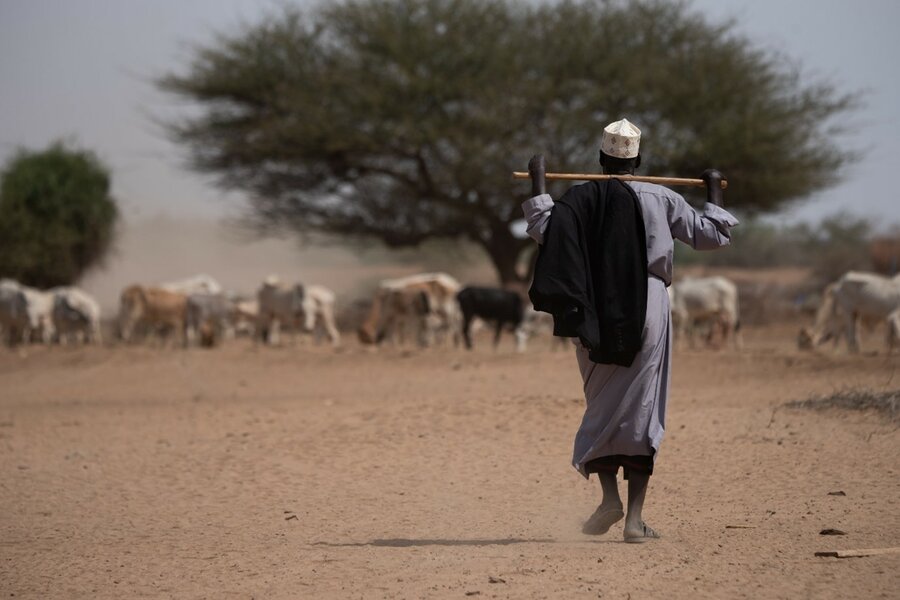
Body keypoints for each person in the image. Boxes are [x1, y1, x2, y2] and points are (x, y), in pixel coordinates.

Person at [521, 118, 738, 543]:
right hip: (649, 306)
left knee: (602, 402)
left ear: (601, 160)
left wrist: (538, 181)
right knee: (641, 408)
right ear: (638, 160)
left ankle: (609, 500)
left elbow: (543, 227)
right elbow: (711, 236)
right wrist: (714, 190)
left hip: (593, 307)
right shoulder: (662, 196)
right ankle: (634, 519)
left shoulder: (579, 199)